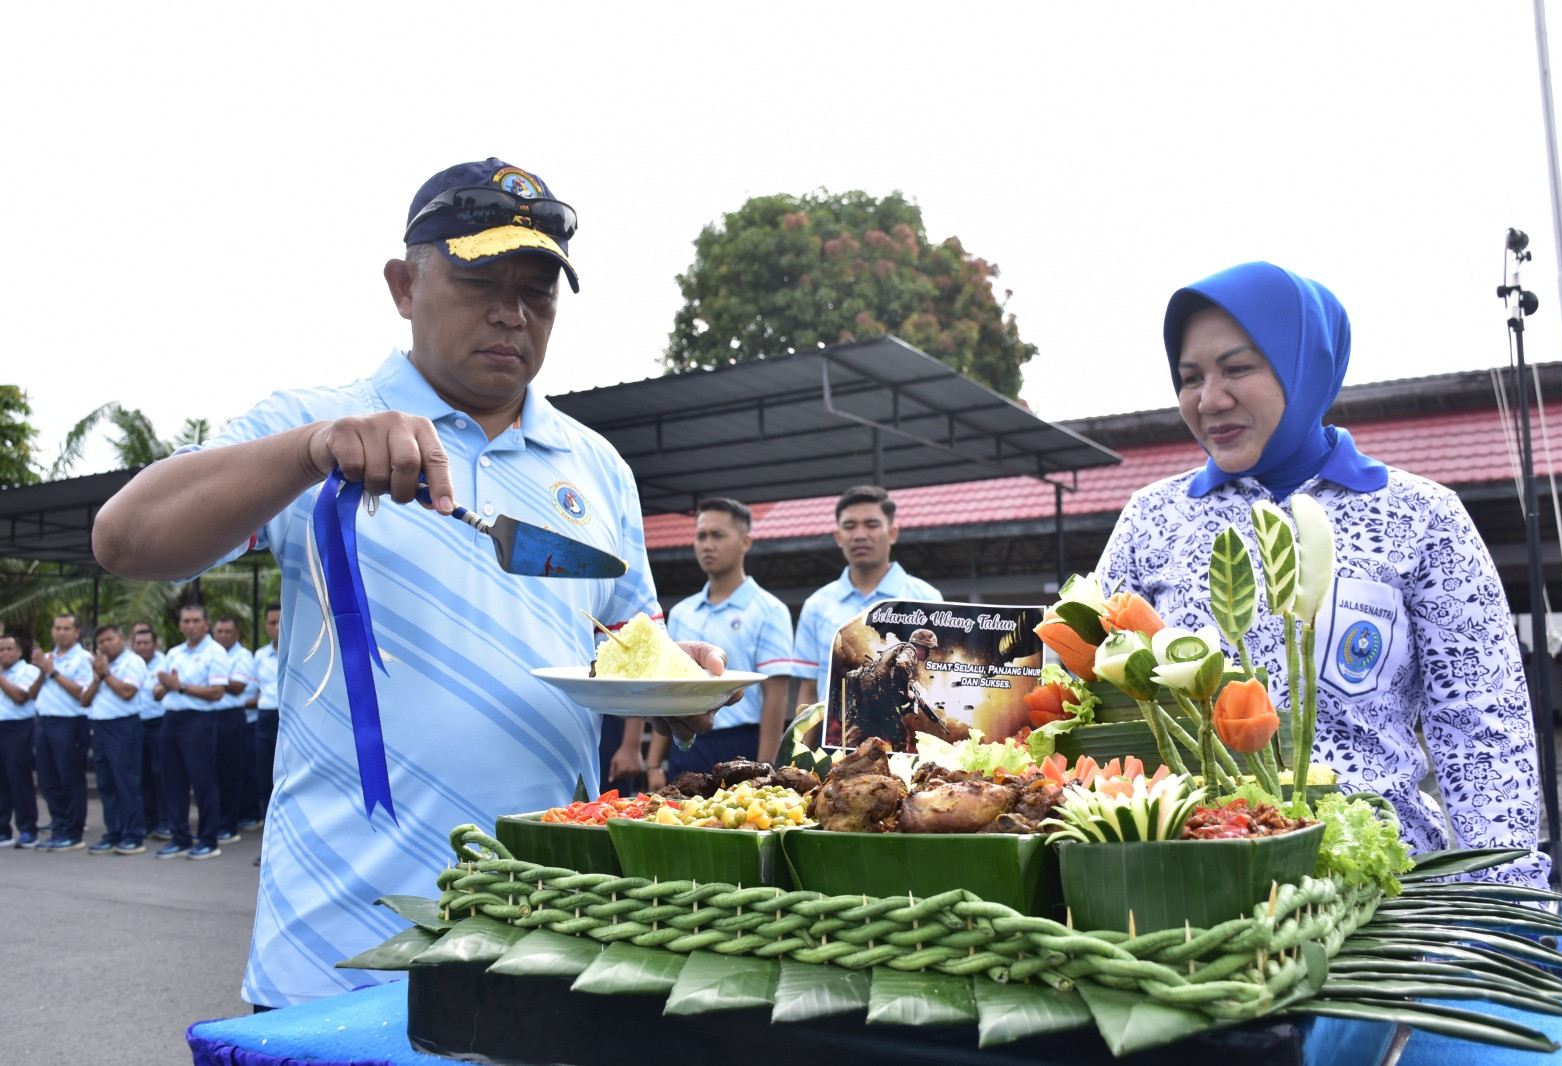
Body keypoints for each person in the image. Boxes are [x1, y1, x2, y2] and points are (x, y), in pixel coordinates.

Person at [92, 157, 729, 1007]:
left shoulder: (598, 466)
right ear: (403, 285)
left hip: (545, 936)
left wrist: (681, 686)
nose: (512, 312)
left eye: (538, 291)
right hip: (338, 941)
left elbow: (630, 646)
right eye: (480, 279)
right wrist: (311, 451)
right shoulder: (312, 424)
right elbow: (125, 540)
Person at [1096, 260, 1548, 889]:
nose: (1209, 399)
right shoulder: (1152, 518)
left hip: (1384, 892)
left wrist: (1505, 906)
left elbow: (1480, 724)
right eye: (1189, 377)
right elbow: (1089, 703)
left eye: (1238, 368)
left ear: (1303, 364)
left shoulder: (1421, 516)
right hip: (1194, 884)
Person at [647, 497, 797, 788]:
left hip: (741, 744)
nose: (707, 544)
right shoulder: (680, 612)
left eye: (717, 535)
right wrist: (654, 763)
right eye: (701, 536)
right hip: (686, 742)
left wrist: (766, 767)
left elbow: (775, 695)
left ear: (745, 542)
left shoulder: (769, 609)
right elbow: (665, 690)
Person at [793, 485, 942, 719]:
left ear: (892, 533)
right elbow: (809, 688)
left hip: (904, 736)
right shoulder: (817, 605)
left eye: (871, 525)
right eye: (849, 526)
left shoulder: (926, 598)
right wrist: (800, 746)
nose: (860, 534)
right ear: (838, 537)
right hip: (836, 737)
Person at [153, 604, 231, 860]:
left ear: (206, 624)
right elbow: (157, 691)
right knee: (172, 782)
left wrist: (181, 687)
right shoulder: (174, 653)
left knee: (203, 781)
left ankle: (208, 839)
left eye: (196, 620)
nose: (190, 625)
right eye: (185, 621)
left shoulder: (215, 652)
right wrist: (165, 687)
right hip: (171, 718)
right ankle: (180, 837)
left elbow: (217, 692)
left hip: (199, 721)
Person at [80, 623, 149, 854]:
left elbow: (127, 692)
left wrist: (105, 673)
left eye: (110, 639)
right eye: (101, 642)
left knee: (126, 781)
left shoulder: (133, 662)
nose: (105, 645)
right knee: (106, 783)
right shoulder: (99, 667)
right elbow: (84, 700)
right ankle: (114, 831)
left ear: (122, 640)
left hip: (124, 726)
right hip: (100, 727)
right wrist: (98, 676)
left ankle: (133, 834)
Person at [27, 613, 94, 850]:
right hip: (44, 721)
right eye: (58, 628)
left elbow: (82, 693)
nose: (61, 632)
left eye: (67, 628)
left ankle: (74, 832)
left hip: (70, 722)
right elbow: (33, 694)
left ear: (77, 632)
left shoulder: (84, 658)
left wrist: (54, 672)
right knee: (47, 778)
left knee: (70, 778)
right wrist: (44, 671)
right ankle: (59, 824)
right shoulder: (48, 657)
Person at [210, 615, 254, 843]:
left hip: (231, 718)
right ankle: (214, 821)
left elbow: (237, 687)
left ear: (236, 634)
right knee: (210, 772)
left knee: (229, 772)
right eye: (219, 631)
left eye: (228, 631)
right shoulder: (209, 653)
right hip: (207, 716)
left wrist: (212, 679)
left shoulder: (243, 656)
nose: (223, 635)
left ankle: (229, 824)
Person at [0, 632, 42, 848]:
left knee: (19, 778)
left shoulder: (29, 671)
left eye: (9, 649)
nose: (4, 653)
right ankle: (3, 830)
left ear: (18, 651)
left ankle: (28, 829)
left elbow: (19, 696)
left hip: (19, 727)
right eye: (1, 649)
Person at [129, 622, 170, 840]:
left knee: (160, 773)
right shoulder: (129, 663)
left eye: (146, 643)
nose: (142, 647)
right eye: (138, 643)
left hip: (158, 722)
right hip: (136, 722)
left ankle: (165, 821)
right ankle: (148, 820)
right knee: (142, 774)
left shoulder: (164, 663)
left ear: (154, 644)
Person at [253, 602, 282, 839]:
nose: (278, 627)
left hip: (287, 718)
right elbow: (255, 689)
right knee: (265, 781)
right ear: (266, 626)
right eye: (272, 622)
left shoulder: (302, 650)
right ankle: (268, 840)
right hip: (264, 718)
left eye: (282, 621)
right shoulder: (260, 655)